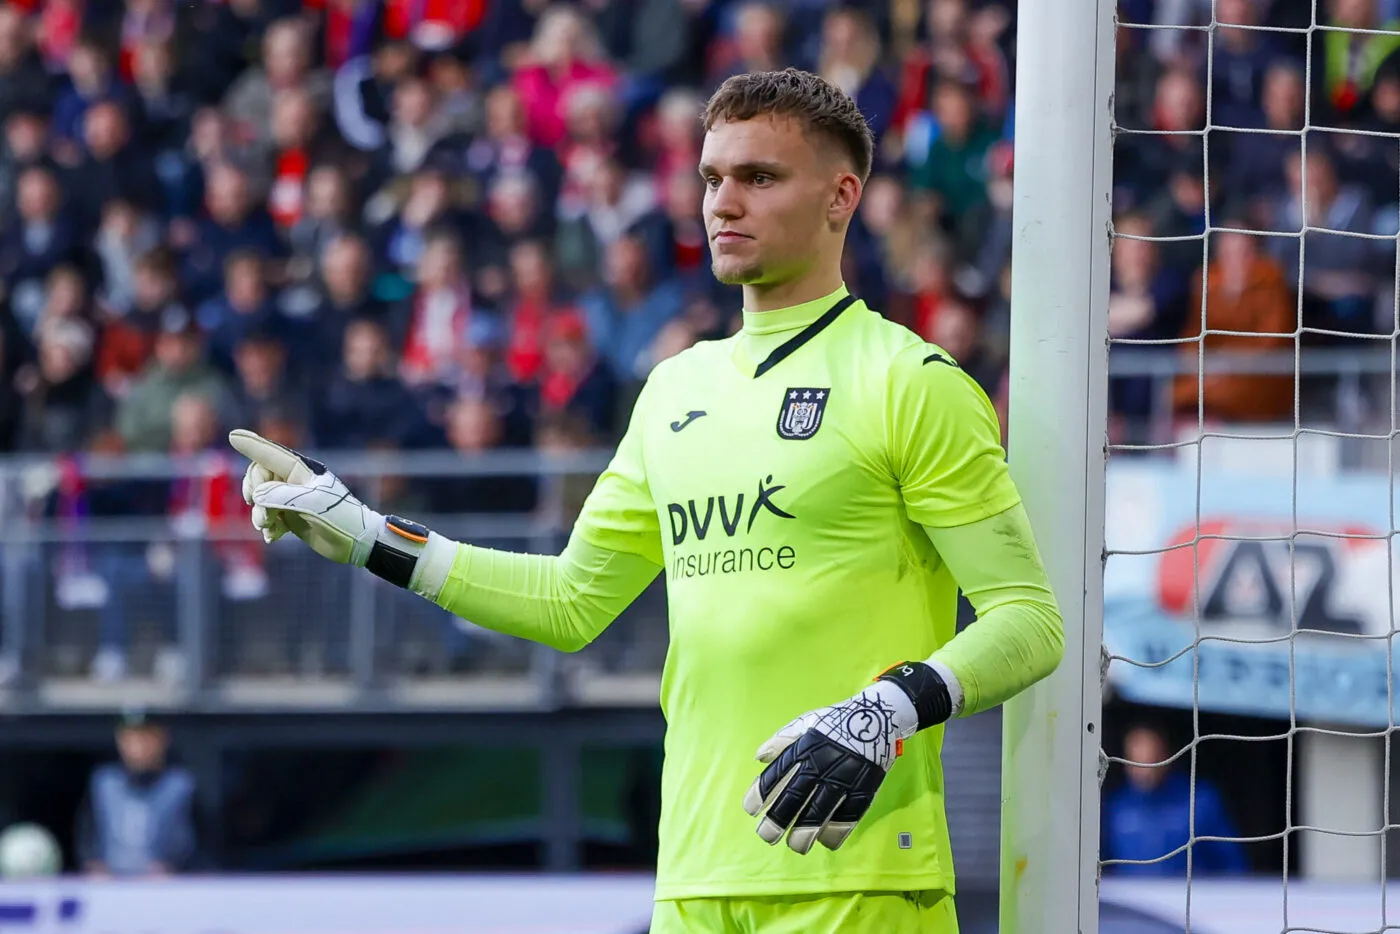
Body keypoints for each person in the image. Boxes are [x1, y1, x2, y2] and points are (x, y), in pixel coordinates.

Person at [229, 68, 1064, 934]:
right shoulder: (675, 390)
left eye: (760, 177)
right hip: (694, 879)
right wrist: (364, 534)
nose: (723, 203)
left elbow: (1030, 621)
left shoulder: (910, 381)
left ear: (841, 196)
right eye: (712, 178)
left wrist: (890, 707)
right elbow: (570, 601)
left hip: (856, 875)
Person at [1102, 722, 1248, 877]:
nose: (1144, 771)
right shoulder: (1115, 807)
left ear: (1166, 756)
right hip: (1130, 892)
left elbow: (1233, 865)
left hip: (1191, 891)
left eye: (1151, 759)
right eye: (1135, 761)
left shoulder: (1199, 800)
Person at [75, 709, 198, 878]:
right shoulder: (103, 783)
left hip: (165, 886)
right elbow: (86, 836)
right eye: (131, 737)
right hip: (109, 884)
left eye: (146, 736)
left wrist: (176, 868)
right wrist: (93, 864)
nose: (138, 745)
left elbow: (201, 846)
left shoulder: (181, 785)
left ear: (162, 738)